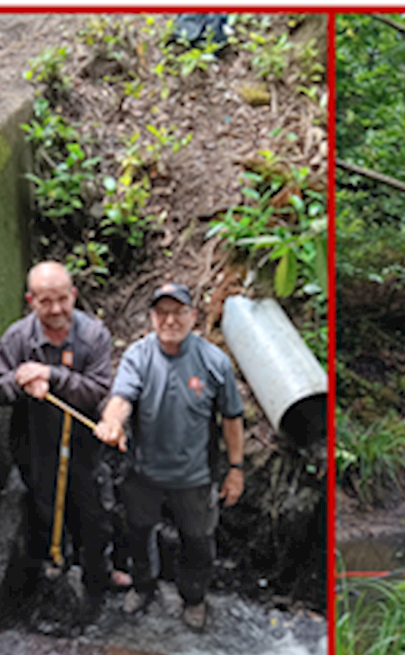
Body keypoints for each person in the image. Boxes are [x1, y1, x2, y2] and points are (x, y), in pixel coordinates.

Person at [93, 282, 245, 630]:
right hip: (143, 473)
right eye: (162, 312)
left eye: (178, 312)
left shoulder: (213, 361)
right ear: (152, 317)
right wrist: (111, 422)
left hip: (195, 477)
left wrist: (235, 469)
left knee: (198, 540)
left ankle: (193, 597)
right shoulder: (139, 356)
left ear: (193, 316)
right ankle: (143, 586)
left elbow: (232, 417)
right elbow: (121, 398)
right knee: (138, 532)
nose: (170, 320)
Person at [0, 261, 114, 616]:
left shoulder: (94, 335)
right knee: (40, 510)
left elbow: (98, 390)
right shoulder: (17, 338)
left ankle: (97, 581)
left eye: (62, 300)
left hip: (84, 447)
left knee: (93, 514)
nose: (56, 309)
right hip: (33, 446)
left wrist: (53, 375)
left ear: (74, 295)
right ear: (31, 300)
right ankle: (44, 580)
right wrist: (20, 379)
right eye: (45, 301)